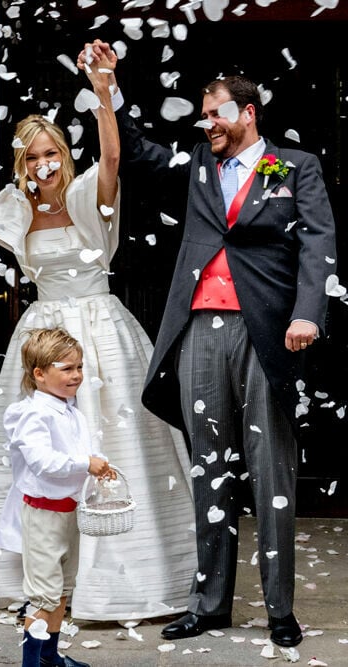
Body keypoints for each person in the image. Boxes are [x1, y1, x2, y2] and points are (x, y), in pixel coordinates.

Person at [0, 40, 196, 621]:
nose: (41, 164)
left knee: (115, 435)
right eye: (30, 158)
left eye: (49, 153)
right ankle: (48, 577)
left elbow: (114, 156)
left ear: (63, 156)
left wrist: (103, 91)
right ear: (21, 165)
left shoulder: (87, 195)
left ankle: (123, 575)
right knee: (43, 451)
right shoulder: (14, 209)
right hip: (44, 334)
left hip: (101, 329)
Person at [113, 66, 337, 646]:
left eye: (214, 113)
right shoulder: (199, 165)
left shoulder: (294, 167)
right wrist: (109, 85)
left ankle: (280, 610)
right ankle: (209, 605)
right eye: (202, 113)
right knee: (208, 469)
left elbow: (318, 242)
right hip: (199, 333)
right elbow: (137, 153)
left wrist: (308, 311)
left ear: (247, 113)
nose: (204, 122)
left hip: (266, 333)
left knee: (271, 474)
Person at [0, 328, 113, 667]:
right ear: (39, 373)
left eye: (79, 367)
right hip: (44, 517)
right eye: (66, 368)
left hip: (69, 513)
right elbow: (42, 461)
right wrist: (84, 463)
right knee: (42, 598)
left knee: (62, 591)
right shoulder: (33, 413)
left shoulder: (70, 411)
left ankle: (50, 658)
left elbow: (78, 450)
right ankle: (31, 664)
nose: (76, 375)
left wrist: (99, 463)